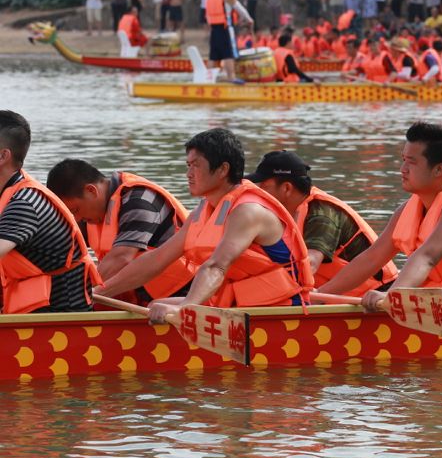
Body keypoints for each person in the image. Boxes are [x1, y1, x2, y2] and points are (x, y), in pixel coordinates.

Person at [102, 129, 314, 322]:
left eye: (196, 165)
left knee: (165, 306)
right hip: (237, 304)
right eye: (188, 166)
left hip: (282, 310)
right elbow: (158, 259)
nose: (188, 174)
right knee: (156, 305)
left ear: (222, 169)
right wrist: (98, 291)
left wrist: (185, 308)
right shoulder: (201, 213)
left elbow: (217, 266)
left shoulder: (248, 211)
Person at [320, 123, 442, 306]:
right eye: (403, 160)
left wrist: (392, 296)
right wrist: (319, 296)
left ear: (438, 170)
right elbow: (372, 258)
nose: (402, 169)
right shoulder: (406, 210)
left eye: (412, 162)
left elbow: (427, 257)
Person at [248, 151, 397, 295]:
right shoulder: (284, 214)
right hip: (335, 295)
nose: (258, 193)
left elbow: (310, 264)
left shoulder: (322, 214)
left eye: (264, 187)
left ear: (287, 188)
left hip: (376, 294)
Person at [46, 159, 193, 302]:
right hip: (142, 296)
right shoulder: (92, 211)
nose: (76, 219)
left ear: (91, 190)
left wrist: (75, 293)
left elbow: (121, 257)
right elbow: (62, 247)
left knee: (80, 298)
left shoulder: (140, 200)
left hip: (183, 295)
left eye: (75, 210)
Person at [0, 111, 100, 313]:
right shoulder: (9, 191)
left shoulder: (25, 203)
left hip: (60, 321)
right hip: (29, 313)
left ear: (3, 156)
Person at [206, 0, 254, 82]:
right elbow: (240, 9)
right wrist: (249, 19)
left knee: (213, 56)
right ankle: (231, 77)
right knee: (228, 53)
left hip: (214, 28)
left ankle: (208, 79)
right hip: (226, 28)